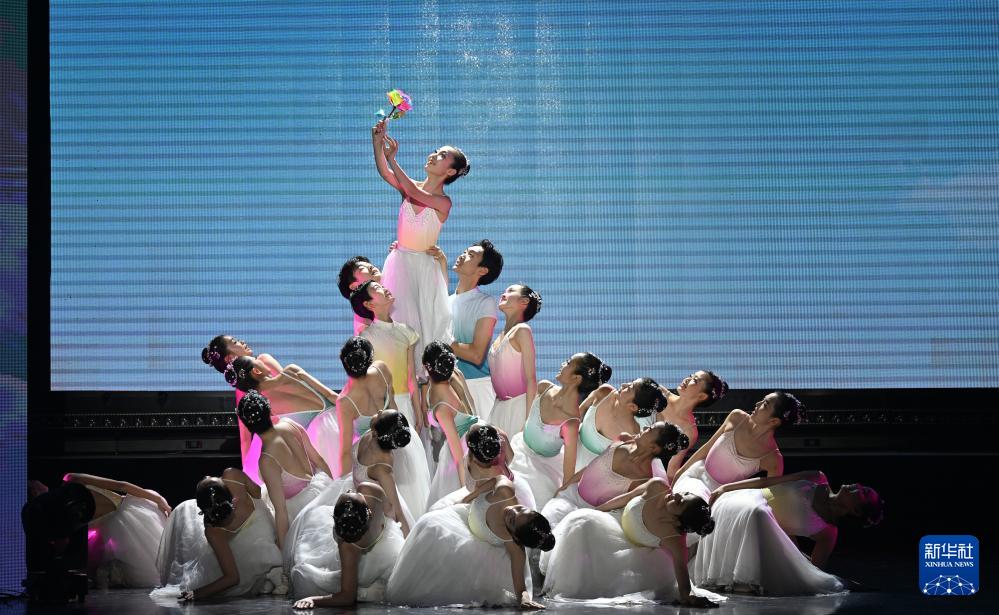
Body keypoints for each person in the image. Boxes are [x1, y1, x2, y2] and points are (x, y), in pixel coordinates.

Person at [371, 120, 469, 374]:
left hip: (424, 270)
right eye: (436, 151)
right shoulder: (409, 187)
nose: (434, 155)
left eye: (442, 155)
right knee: (400, 324)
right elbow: (386, 174)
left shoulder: (443, 202)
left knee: (426, 329)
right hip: (400, 264)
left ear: (450, 172)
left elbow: (414, 192)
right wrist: (377, 143)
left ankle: (427, 386)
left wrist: (393, 159)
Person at [542, 478, 721, 607]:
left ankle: (573, 584)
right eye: (684, 494)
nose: (676, 495)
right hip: (615, 524)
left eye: (680, 503)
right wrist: (597, 511)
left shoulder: (674, 539)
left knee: (591, 543)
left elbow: (682, 577)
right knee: (582, 520)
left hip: (634, 551)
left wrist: (688, 596)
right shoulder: (658, 486)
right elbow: (627, 497)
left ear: (678, 520)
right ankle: (558, 573)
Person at [386, 476, 554, 608]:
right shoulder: (505, 491)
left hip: (481, 546)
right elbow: (495, 479)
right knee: (429, 525)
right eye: (520, 509)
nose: (511, 511)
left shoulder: (513, 544)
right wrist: (469, 497)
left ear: (515, 536)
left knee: (453, 554)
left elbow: (520, 587)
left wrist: (524, 600)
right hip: (463, 518)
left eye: (512, 521)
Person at [315, 336, 429, 519]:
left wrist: (344, 482)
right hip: (400, 444)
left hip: (373, 458)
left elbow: (345, 452)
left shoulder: (345, 401)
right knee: (410, 499)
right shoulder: (382, 370)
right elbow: (394, 410)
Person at [152, 468, 284, 602]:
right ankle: (268, 577)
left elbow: (232, 577)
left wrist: (197, 593)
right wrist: (197, 594)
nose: (207, 475)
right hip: (265, 528)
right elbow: (257, 492)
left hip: (257, 541)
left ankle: (265, 579)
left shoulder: (213, 530)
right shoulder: (232, 476)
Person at [709, 471, 884, 569]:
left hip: (751, 530)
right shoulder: (817, 478)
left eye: (863, 492)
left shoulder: (828, 533)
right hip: (740, 501)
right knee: (754, 510)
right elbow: (768, 482)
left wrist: (793, 552)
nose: (857, 485)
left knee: (757, 513)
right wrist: (726, 488)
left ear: (855, 511)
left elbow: (814, 571)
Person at [542, 422, 690, 532]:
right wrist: (565, 487)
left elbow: (617, 504)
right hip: (570, 496)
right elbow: (590, 468)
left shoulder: (643, 480)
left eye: (649, 429)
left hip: (591, 513)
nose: (644, 427)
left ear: (653, 448)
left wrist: (586, 515)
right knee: (548, 520)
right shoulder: (623, 440)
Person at [29, 474, 170, 588]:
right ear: (34, 492)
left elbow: (121, 486)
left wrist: (157, 499)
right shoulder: (68, 486)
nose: (33, 480)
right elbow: (120, 485)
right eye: (31, 482)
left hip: (127, 515)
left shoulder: (67, 488)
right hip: (117, 523)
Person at [506, 353, 608, 510]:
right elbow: (527, 426)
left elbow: (568, 476)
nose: (563, 364)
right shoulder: (543, 387)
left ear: (576, 378)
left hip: (539, 475)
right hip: (517, 451)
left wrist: (558, 501)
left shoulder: (571, 423)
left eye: (568, 363)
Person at [237, 390, 333, 551]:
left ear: (247, 425)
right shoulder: (290, 424)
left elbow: (281, 511)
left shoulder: (267, 460)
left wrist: (284, 552)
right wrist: (331, 491)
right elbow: (319, 460)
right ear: (269, 410)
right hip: (319, 488)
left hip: (301, 511)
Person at [224, 354, 338, 483]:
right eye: (256, 360)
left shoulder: (265, 407)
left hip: (316, 447)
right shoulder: (292, 371)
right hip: (336, 425)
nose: (260, 360)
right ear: (256, 371)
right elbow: (331, 396)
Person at [290, 482, 406, 607]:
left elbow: (347, 597)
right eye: (350, 492)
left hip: (387, 549)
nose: (350, 490)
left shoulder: (349, 545)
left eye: (350, 492)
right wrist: (313, 600)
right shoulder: (368, 490)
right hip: (385, 541)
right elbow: (347, 596)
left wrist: (314, 599)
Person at [351, 281, 422, 433]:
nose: (384, 288)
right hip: (381, 407)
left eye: (382, 286)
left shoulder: (407, 332)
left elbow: (411, 378)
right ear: (369, 304)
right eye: (377, 288)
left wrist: (419, 413)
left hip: (406, 404)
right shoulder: (366, 337)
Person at [423, 341, 482, 508]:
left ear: (427, 366)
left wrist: (465, 495)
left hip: (465, 449)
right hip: (461, 440)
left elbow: (459, 458)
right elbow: (471, 405)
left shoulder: (443, 408)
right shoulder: (452, 376)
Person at [448, 240, 503, 418]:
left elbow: (476, 355)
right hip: (448, 384)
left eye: (471, 255)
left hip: (477, 386)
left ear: (482, 270)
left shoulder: (485, 302)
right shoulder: (446, 301)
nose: (463, 255)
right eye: (465, 252)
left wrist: (443, 342)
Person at [428, 422, 536, 511]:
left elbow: (474, 487)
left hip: (489, 496)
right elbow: (511, 458)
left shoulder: (472, 460)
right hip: (514, 484)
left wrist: (465, 500)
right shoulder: (502, 438)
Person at [574, 378, 669, 470]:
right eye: (630, 383)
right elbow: (577, 413)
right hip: (570, 447)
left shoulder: (632, 439)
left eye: (629, 388)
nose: (623, 385)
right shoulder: (604, 391)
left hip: (591, 472)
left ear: (632, 406)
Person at [349, 409, 418, 534]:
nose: (380, 410)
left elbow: (398, 514)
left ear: (376, 432)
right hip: (352, 493)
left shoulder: (383, 470)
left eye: (379, 415)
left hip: (370, 513)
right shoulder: (374, 433)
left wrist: (408, 544)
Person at [654, 371, 728, 482]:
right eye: (690, 376)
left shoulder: (689, 432)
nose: (687, 379)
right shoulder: (657, 393)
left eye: (695, 380)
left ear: (702, 396)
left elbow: (672, 469)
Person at [487, 284, 541, 435]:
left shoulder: (522, 330)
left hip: (519, 408)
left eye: (510, 291)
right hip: (498, 409)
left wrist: (528, 422)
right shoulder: (499, 336)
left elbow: (531, 379)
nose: (503, 294)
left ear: (524, 301)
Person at [336, 256, 383, 334]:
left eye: (370, 265)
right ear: (354, 286)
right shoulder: (363, 324)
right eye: (362, 268)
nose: (371, 267)